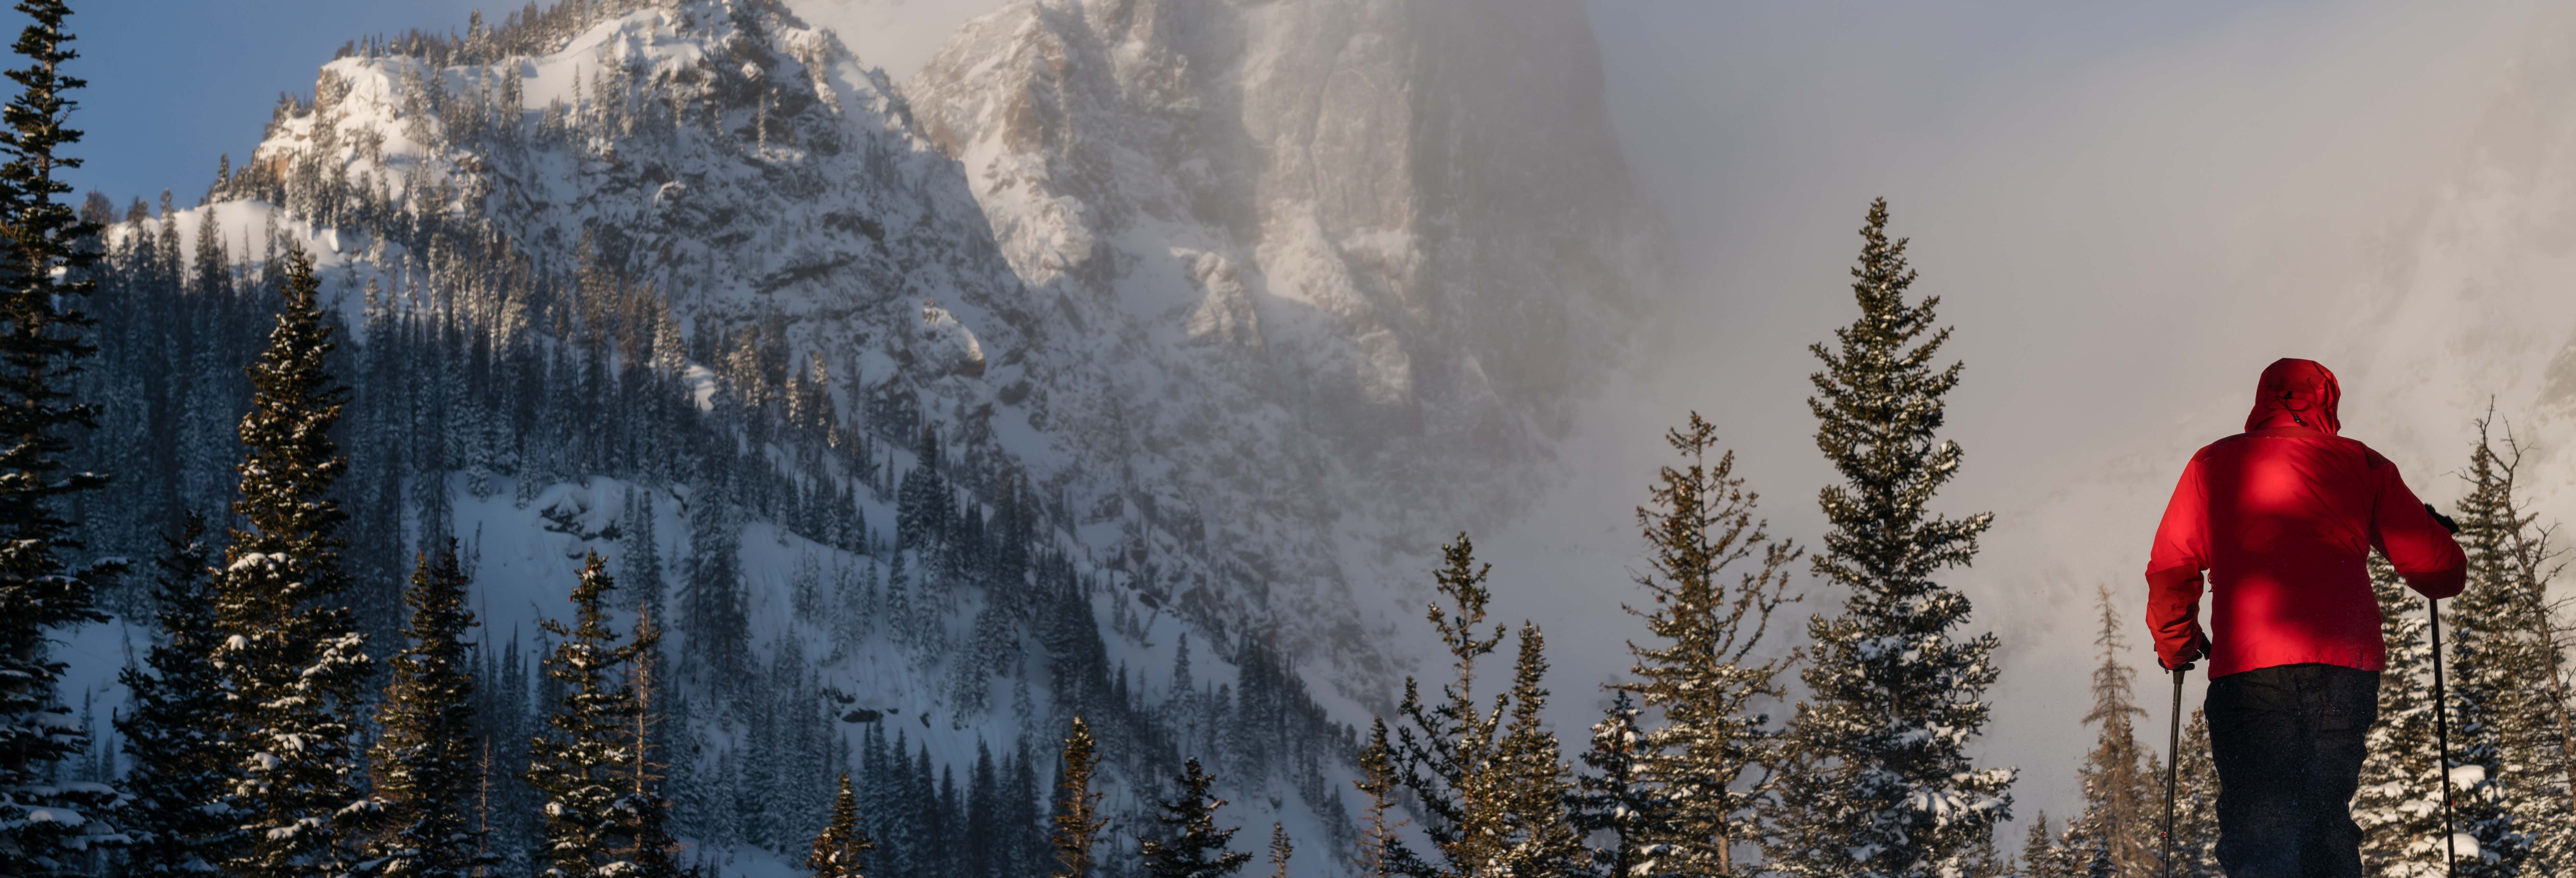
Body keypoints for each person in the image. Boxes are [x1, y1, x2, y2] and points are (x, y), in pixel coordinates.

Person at [2143, 357, 2465, 878]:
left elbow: (2172, 568)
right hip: (2344, 669)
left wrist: (2177, 645)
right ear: (2329, 404)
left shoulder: (2212, 465)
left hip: (2250, 673)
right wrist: (2432, 529)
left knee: (2261, 826)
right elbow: (2439, 572)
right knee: (2324, 818)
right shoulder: (2363, 465)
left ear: (2262, 400)